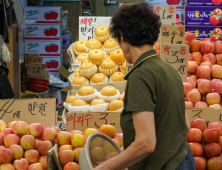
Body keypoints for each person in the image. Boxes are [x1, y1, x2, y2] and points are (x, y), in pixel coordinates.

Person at [93, 2, 195, 170]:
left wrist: (103, 168)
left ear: (123, 38)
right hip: (184, 160)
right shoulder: (168, 69)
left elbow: (146, 143)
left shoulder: (140, 75)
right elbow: (186, 124)